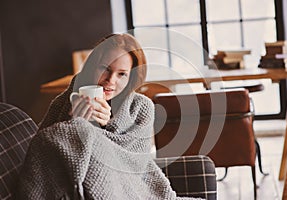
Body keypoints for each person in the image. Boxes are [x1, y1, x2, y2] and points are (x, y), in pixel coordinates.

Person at [16, 33, 201, 200]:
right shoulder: (64, 101)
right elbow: (44, 147)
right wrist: (76, 124)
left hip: (125, 187)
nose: (110, 81)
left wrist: (102, 130)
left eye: (122, 74)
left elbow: (135, 164)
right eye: (105, 69)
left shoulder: (141, 108)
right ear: (92, 67)